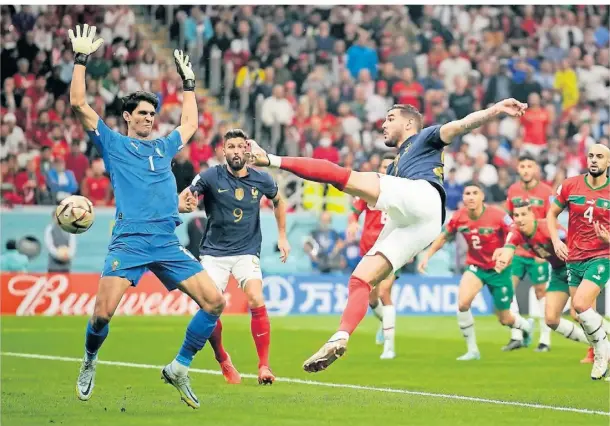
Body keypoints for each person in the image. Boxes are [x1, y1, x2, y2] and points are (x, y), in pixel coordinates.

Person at [248, 97, 529, 372]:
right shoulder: (395, 166)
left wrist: (496, 110)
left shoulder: (426, 137)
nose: (384, 124)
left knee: (341, 175)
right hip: (420, 224)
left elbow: (462, 125)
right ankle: (341, 335)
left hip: (424, 196)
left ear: (409, 124)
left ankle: (270, 159)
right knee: (360, 279)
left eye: (390, 118)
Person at [69, 24, 224, 408]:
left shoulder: (163, 145)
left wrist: (189, 83)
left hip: (166, 241)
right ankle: (89, 360)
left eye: (152, 114)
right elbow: (78, 105)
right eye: (141, 114)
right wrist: (81, 59)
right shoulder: (114, 143)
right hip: (131, 240)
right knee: (102, 315)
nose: (149, 119)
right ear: (127, 117)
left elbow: (188, 124)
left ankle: (179, 367)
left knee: (215, 302)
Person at [185, 128, 290, 385]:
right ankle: (222, 357)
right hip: (213, 253)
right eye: (230, 147)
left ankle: (264, 365)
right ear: (223, 151)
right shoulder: (211, 175)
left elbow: (279, 201)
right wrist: (184, 202)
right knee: (210, 307)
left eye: (239, 147)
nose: (235, 151)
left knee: (256, 297)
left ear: (247, 149)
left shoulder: (261, 179)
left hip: (247, 251)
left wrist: (283, 236)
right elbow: (189, 194)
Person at [418, 183, 534, 360]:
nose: (470, 197)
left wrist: (506, 250)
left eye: (474, 193)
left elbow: (514, 229)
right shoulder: (459, 217)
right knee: (463, 304)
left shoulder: (498, 214)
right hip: (475, 267)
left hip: (499, 270)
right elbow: (444, 236)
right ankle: (472, 350)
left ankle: (525, 327)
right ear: (463, 197)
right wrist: (427, 255)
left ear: (482, 197)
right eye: (467, 193)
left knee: (505, 319)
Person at [495, 201, 610, 355]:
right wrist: (502, 259)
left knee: (580, 314)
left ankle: (602, 349)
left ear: (532, 215)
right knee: (551, 319)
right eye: (516, 215)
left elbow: (573, 241)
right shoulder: (516, 231)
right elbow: (509, 247)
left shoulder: (547, 228)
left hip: (576, 266)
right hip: (557, 271)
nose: (520, 219)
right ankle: (598, 346)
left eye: (523, 214)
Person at [547, 144, 610, 380]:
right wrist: (556, 240)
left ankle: (602, 351)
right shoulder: (570, 185)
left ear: (608, 163)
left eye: (600, 157)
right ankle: (603, 345)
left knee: (582, 304)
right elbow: (551, 214)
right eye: (591, 156)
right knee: (578, 312)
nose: (594, 160)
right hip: (574, 257)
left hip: (602, 256)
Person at [503, 154, 554, 352]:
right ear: (518, 169)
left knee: (541, 292)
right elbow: (508, 219)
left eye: (529, 166)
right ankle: (517, 334)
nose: (525, 170)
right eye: (522, 166)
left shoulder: (546, 192)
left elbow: (552, 219)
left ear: (535, 170)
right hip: (517, 250)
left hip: (538, 252)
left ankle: (545, 339)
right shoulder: (513, 190)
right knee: (507, 289)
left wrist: (547, 249)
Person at [349, 153, 397, 359]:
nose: (387, 170)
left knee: (385, 293)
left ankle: (389, 347)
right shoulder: (370, 188)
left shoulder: (403, 191)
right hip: (369, 250)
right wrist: (352, 222)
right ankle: (384, 323)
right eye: (384, 166)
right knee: (372, 298)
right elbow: (355, 211)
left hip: (392, 250)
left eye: (390, 166)